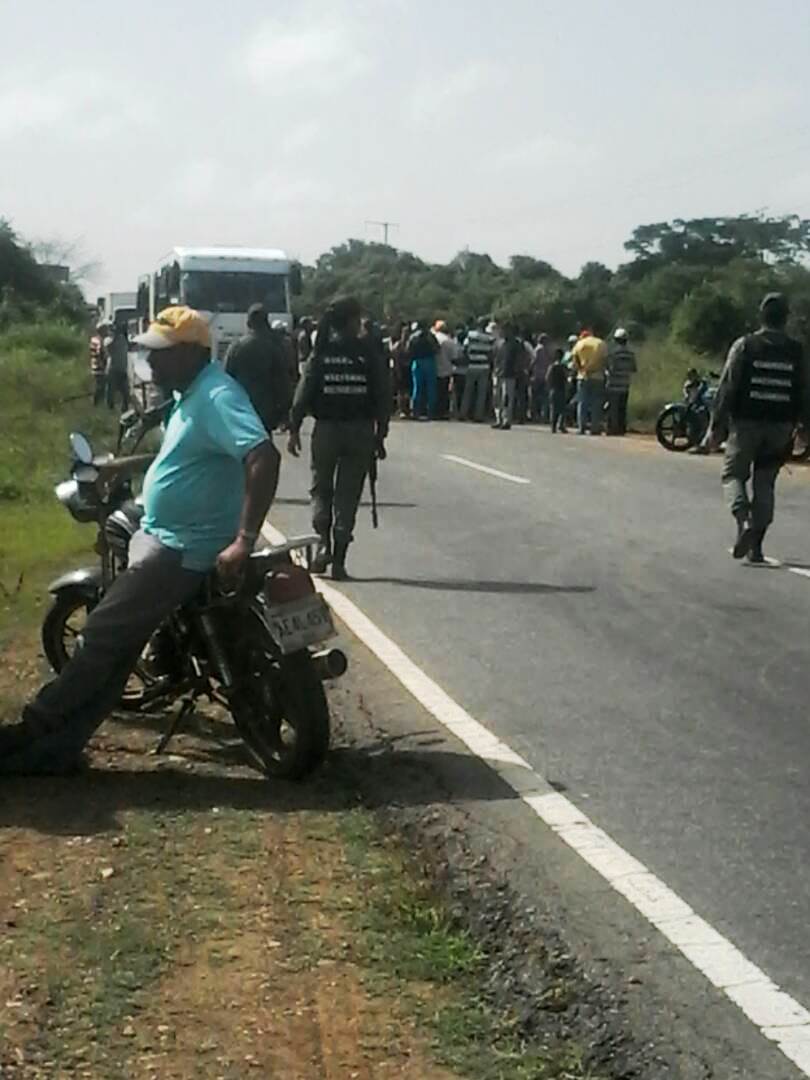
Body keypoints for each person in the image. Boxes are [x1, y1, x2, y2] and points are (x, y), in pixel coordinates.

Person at [0, 306, 279, 775]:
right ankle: (59, 748)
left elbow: (262, 454)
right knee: (121, 646)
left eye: (161, 353)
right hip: (174, 536)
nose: (150, 362)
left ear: (191, 352)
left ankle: (35, 727)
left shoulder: (215, 396)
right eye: (148, 352)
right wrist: (120, 468)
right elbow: (184, 458)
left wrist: (245, 539)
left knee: (101, 637)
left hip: (182, 547)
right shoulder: (191, 394)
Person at [288, 296, 390, 580]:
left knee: (321, 489)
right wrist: (381, 434)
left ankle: (323, 545)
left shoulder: (321, 353)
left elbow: (303, 391)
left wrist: (294, 428)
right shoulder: (367, 353)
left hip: (327, 430)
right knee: (348, 494)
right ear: (352, 320)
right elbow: (383, 395)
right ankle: (340, 561)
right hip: (359, 431)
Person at [708, 292, 810, 564]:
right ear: (786, 318)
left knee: (733, 476)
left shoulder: (745, 345)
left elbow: (727, 387)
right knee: (765, 483)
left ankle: (742, 520)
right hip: (780, 427)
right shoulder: (796, 350)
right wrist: (804, 427)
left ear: (761, 316)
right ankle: (756, 545)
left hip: (746, 425)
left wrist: (716, 427)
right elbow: (804, 391)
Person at [225, 304, 293, 434]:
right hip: (267, 411)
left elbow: (226, 379)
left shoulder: (236, 346)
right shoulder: (274, 346)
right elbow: (282, 382)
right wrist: (286, 413)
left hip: (242, 409)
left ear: (248, 323)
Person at [572, 329, 607, 435]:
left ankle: (581, 427)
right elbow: (605, 359)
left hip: (583, 376)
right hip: (598, 376)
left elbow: (574, 360)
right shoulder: (601, 343)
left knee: (582, 403)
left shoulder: (579, 344)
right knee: (596, 403)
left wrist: (581, 370)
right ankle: (595, 428)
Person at [460, 317, 496, 422]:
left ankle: (463, 413)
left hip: (472, 365)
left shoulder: (470, 335)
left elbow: (464, 349)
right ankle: (478, 415)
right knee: (481, 392)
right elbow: (491, 353)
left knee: (468, 391)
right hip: (484, 366)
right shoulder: (489, 338)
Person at [606, 328, 637, 435]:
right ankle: (621, 428)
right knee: (622, 408)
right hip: (625, 384)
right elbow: (634, 369)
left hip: (614, 384)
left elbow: (611, 368)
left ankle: (613, 429)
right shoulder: (631, 354)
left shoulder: (613, 353)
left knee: (613, 408)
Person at [492, 325, 522, 430]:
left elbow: (519, 359)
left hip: (509, 374)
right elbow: (494, 357)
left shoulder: (515, 344)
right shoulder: (498, 343)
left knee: (507, 398)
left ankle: (506, 420)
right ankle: (498, 419)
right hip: (497, 373)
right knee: (497, 398)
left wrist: (517, 371)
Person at [433, 320, 458, 420]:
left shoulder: (433, 338)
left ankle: (433, 411)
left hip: (434, 368)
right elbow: (454, 357)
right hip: (446, 369)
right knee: (444, 393)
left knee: (434, 391)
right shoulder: (449, 341)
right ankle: (443, 412)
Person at [105, 322, 131, 412]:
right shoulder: (108, 340)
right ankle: (109, 410)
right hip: (113, 370)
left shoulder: (123, 339)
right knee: (111, 393)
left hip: (122, 370)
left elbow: (129, 346)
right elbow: (109, 347)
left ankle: (125, 411)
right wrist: (115, 336)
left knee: (126, 394)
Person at [530, 333, 553, 422]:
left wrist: (529, 370)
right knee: (544, 397)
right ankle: (544, 415)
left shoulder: (537, 349)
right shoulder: (547, 350)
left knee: (535, 397)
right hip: (545, 376)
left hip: (537, 376)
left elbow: (533, 361)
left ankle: (535, 415)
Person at [546, 348, 569, 433]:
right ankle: (561, 425)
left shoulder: (551, 366)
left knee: (553, 409)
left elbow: (547, 378)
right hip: (561, 389)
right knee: (562, 410)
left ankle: (553, 427)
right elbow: (566, 378)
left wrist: (549, 387)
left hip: (553, 389)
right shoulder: (563, 367)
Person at [89, 324, 107, 406]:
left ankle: (97, 403)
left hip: (95, 365)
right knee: (100, 386)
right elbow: (101, 353)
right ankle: (97, 403)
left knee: (99, 385)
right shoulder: (99, 341)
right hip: (99, 366)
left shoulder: (94, 339)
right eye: (105, 330)